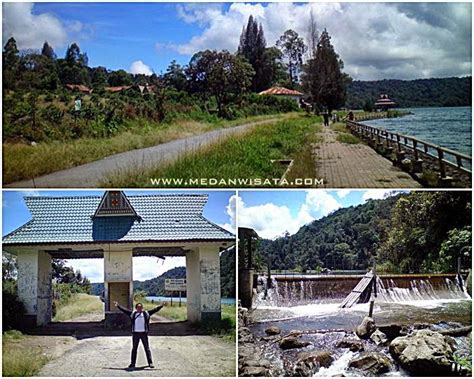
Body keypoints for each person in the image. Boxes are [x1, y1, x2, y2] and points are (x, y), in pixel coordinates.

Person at [114, 300, 164, 369]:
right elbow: (125, 311)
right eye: (138, 307)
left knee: (147, 349)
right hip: (135, 334)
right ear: (136, 308)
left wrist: (161, 306)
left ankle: (150, 363)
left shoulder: (146, 313)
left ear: (142, 308)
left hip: (144, 334)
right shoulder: (133, 314)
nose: (139, 309)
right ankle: (132, 363)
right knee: (134, 349)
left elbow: (155, 310)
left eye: (140, 307)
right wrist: (118, 306)